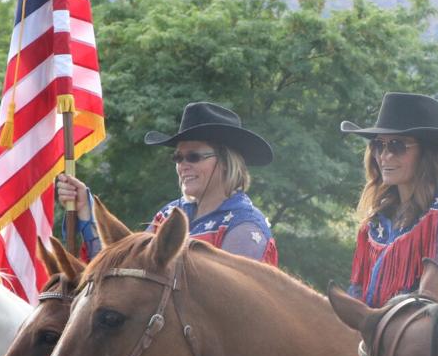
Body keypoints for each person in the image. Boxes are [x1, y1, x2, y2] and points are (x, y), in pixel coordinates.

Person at [56, 101, 277, 263]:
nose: (182, 165)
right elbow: (126, 272)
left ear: (227, 163)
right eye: (178, 158)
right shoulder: (169, 214)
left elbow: (225, 308)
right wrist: (86, 210)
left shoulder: (244, 226)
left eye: (193, 156)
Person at [344, 92, 438, 306]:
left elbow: (437, 305)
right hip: (369, 336)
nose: (384, 156)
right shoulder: (377, 218)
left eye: (397, 145)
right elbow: (357, 292)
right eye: (379, 145)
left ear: (427, 153)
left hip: (418, 337)